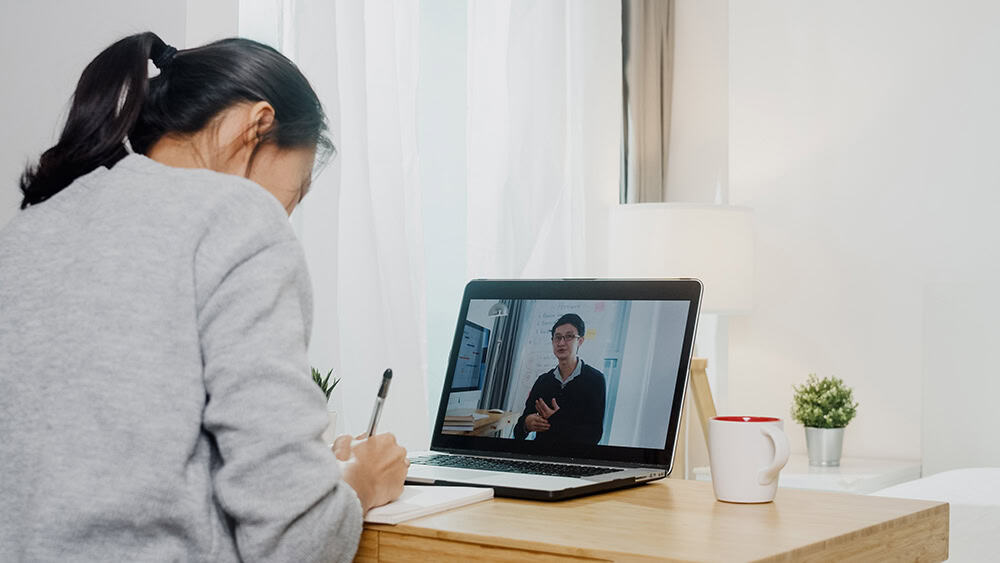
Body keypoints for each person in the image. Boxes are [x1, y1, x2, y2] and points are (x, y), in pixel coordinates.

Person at [0, 33, 407, 562]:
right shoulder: (234, 218)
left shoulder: (31, 229)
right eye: (296, 191)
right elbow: (293, 543)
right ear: (256, 126)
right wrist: (359, 483)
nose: (285, 214)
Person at [512, 313, 606, 445]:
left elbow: (594, 435)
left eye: (569, 336)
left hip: (573, 459)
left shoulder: (595, 380)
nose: (561, 343)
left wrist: (556, 420)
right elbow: (518, 432)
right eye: (557, 337)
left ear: (580, 341)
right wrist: (526, 424)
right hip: (541, 456)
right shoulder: (543, 381)